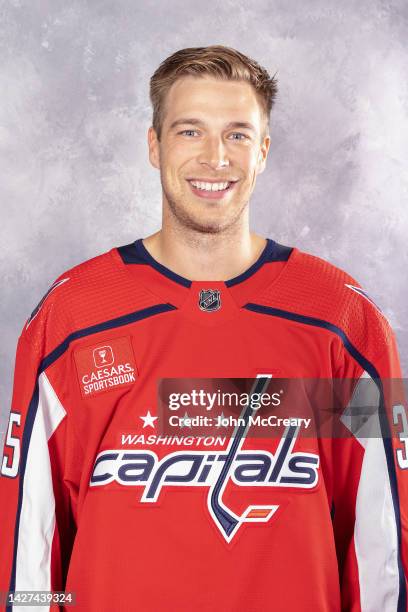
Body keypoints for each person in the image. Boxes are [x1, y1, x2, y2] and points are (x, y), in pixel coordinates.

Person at [0, 44, 407, 612]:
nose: (216, 158)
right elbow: (30, 551)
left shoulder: (344, 322)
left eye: (237, 134)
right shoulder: (71, 319)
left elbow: (379, 538)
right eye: (190, 131)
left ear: (262, 151)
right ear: (154, 145)